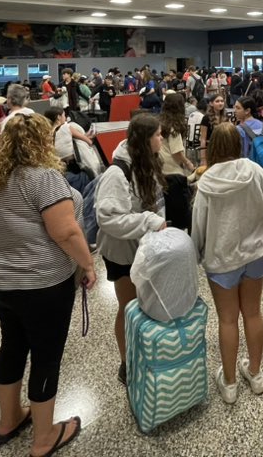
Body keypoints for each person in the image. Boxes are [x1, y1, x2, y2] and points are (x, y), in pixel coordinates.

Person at [0, 112, 96, 457]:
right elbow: (65, 231)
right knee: (46, 356)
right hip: (40, 284)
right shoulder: (43, 177)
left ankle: (9, 419)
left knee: (13, 345)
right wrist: (87, 264)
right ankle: (45, 438)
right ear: (42, 141)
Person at [192, 123, 263, 404]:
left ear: (214, 147)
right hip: (255, 254)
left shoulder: (206, 182)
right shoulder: (253, 170)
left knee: (227, 319)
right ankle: (255, 374)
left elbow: (199, 227)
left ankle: (229, 383)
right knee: (253, 313)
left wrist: (198, 253)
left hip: (222, 259)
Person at [95, 114, 167, 385]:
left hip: (144, 247)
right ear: (145, 139)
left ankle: (145, 353)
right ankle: (126, 363)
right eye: (158, 135)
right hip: (122, 252)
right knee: (129, 307)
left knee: (145, 305)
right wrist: (149, 221)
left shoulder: (148, 162)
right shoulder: (117, 173)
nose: (162, 139)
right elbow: (110, 219)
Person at [159, 92, 195, 230]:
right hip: (174, 174)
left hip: (161, 171)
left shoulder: (160, 123)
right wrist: (189, 164)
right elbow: (177, 153)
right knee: (180, 217)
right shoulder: (174, 128)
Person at [233, 92, 263, 158]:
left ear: (247, 111)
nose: (235, 110)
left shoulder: (239, 129)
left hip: (247, 165)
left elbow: (236, 153)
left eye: (238, 108)